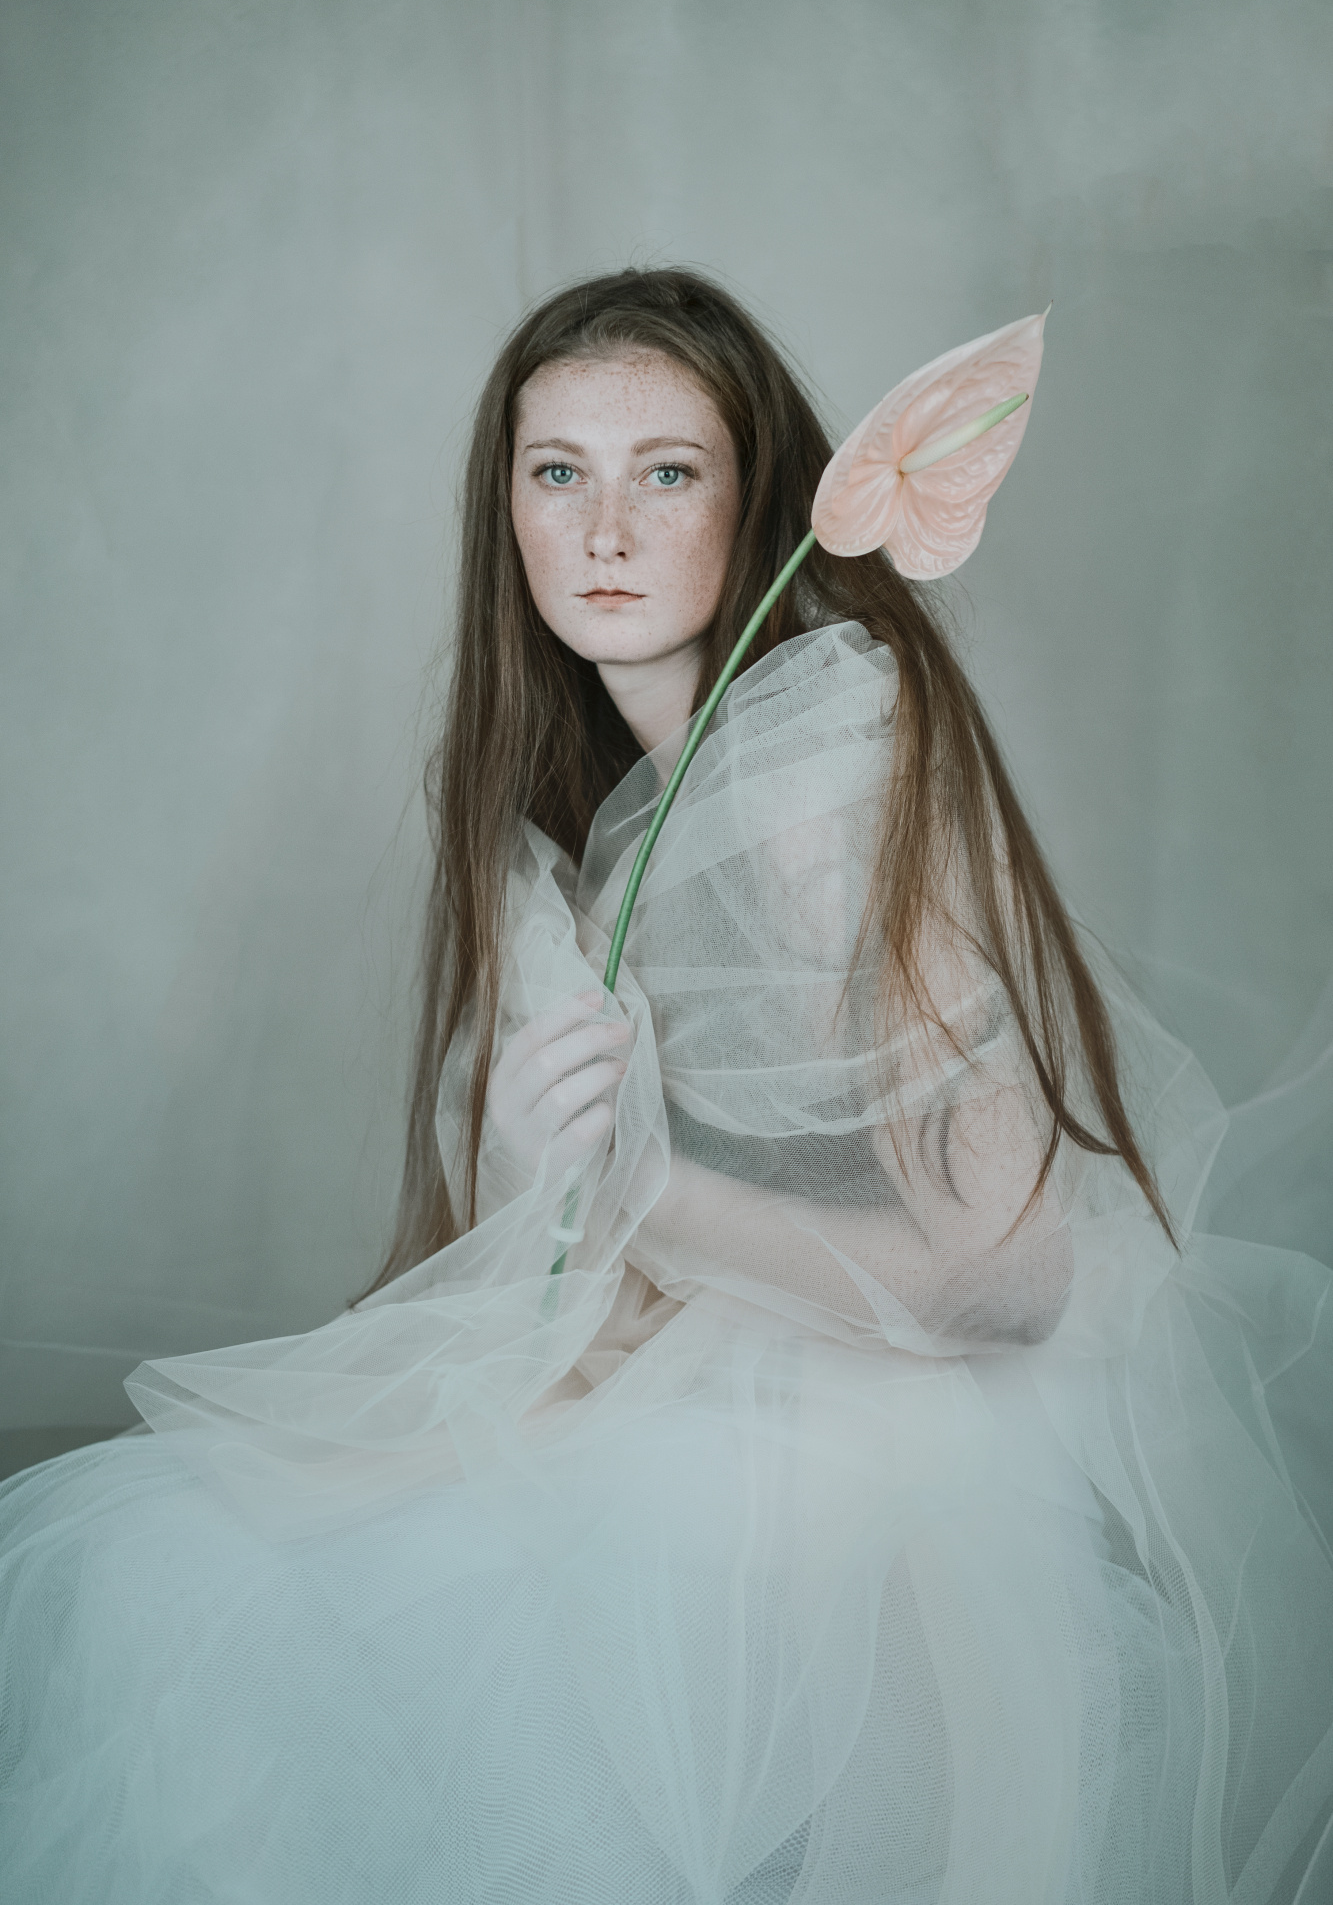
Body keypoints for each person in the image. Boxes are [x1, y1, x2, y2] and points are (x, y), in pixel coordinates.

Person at [2, 267, 1330, 1904]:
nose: (606, 531)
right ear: (504, 508)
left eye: (668, 472)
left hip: (891, 1442)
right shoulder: (557, 787)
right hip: (676, 1384)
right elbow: (548, 1270)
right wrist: (532, 1173)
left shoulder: (829, 770)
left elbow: (1011, 1279)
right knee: (165, 1558)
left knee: (211, 1594)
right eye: (557, 472)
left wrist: (643, 1189)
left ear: (755, 498)